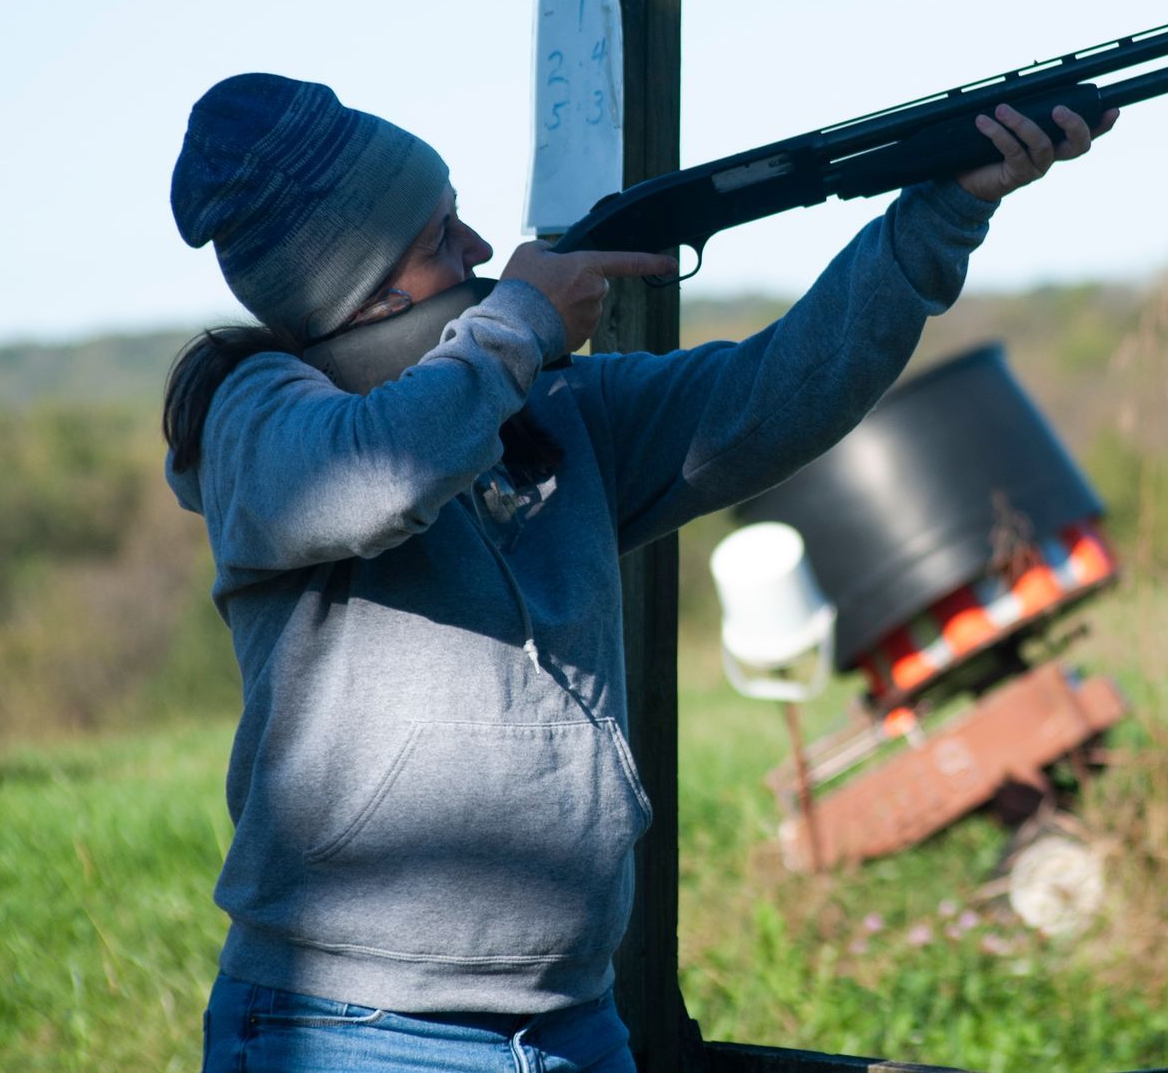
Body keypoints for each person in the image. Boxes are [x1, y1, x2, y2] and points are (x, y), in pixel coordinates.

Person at [164, 71, 1115, 1071]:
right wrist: (526, 319)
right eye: (442, 235)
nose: (484, 251)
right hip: (355, 1031)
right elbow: (376, 477)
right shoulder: (257, 418)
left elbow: (781, 388)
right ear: (367, 290)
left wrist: (943, 210)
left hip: (576, 1021)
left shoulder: (560, 410)